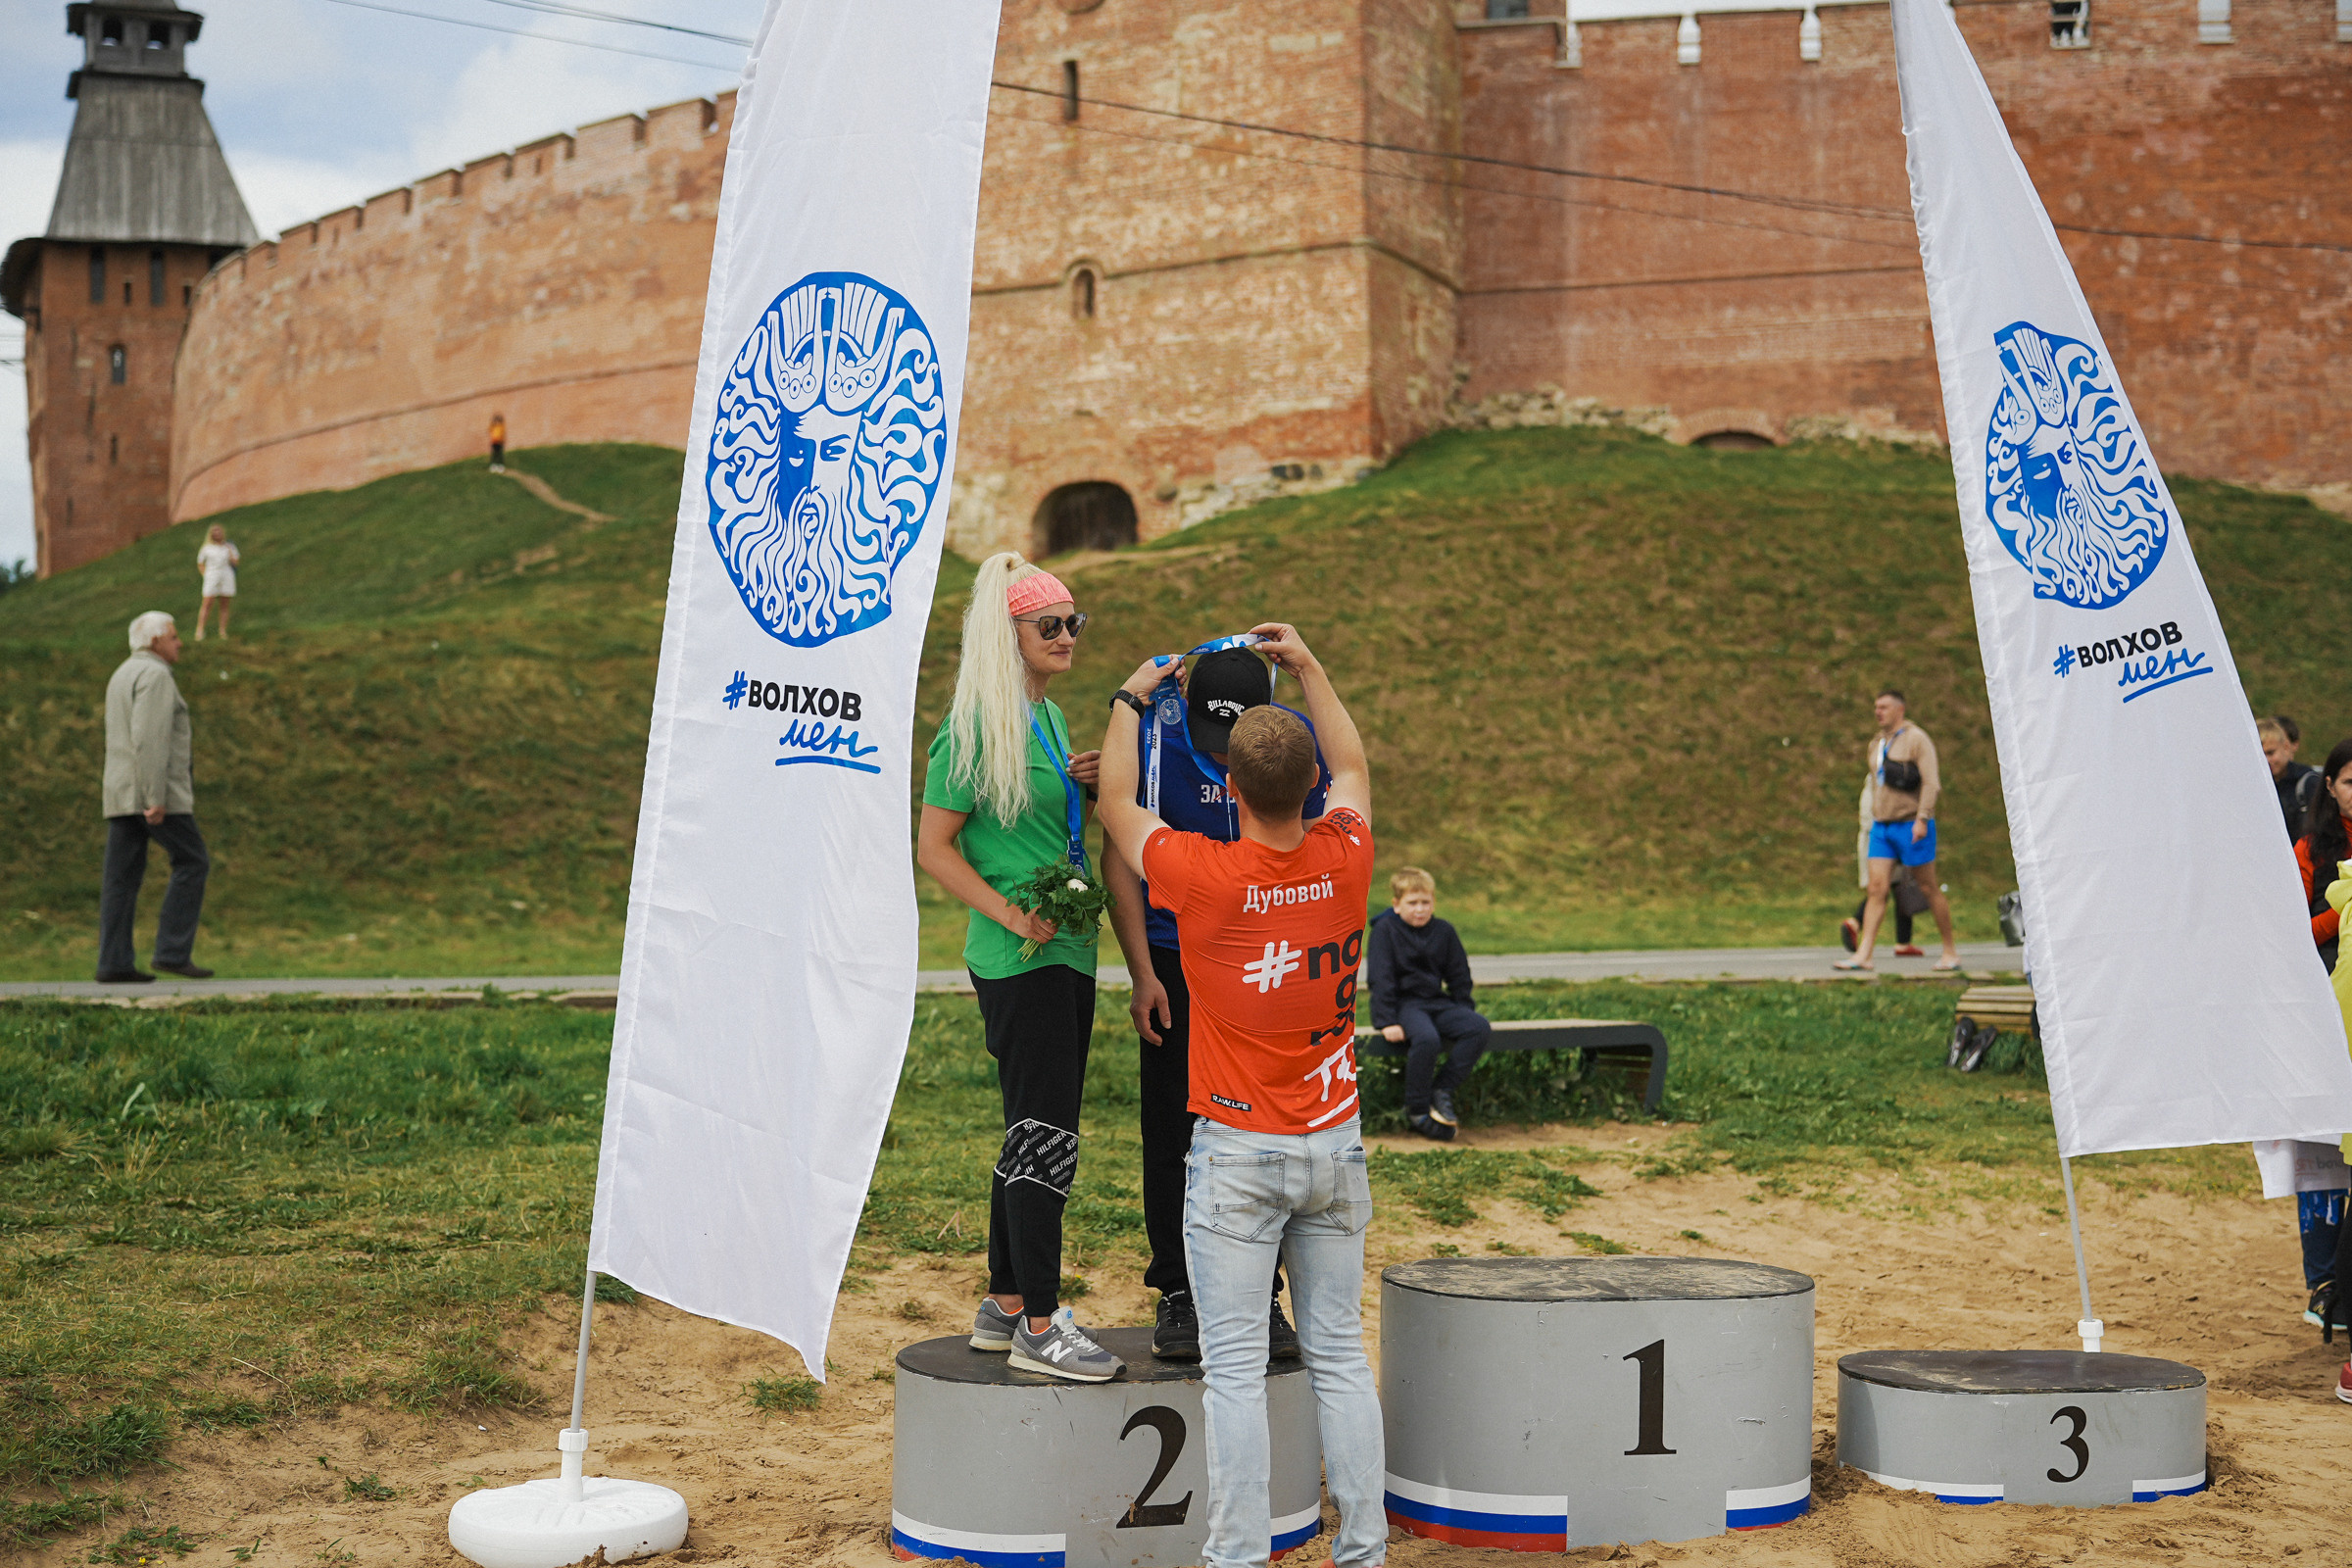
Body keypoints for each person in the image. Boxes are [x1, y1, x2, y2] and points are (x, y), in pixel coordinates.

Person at [1098, 620, 1385, 1568]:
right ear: (1308, 789)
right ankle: (1365, 1552)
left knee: (1232, 1377)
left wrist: (1133, 701)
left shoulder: (1203, 873)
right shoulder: (1347, 853)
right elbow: (1351, 762)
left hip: (1235, 1152)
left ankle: (1234, 1558)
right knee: (1341, 1360)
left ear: (1228, 786)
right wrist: (1305, 664)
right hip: (1334, 1141)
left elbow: (1116, 805)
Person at [915, 552, 1122, 1383]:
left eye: (1076, 621)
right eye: (1051, 625)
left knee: (1033, 1127)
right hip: (1018, 955)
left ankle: (1003, 1305)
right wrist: (1007, 911)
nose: (1068, 635)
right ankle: (1041, 1321)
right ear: (1010, 638)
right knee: (1047, 1134)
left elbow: (1048, 818)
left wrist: (1089, 782)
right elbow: (933, 847)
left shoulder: (1052, 718)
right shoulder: (969, 732)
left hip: (1070, 948)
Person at [1102, 640, 1328, 1361]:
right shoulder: (1153, 731)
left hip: (1262, 961)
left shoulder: (1288, 747)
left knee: (1261, 1132)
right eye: (1213, 743)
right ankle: (1177, 1289)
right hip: (1175, 958)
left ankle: (1261, 1294)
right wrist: (1143, 971)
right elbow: (1119, 847)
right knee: (1173, 1129)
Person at [98, 612, 214, 983]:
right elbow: (150, 738)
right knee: (193, 861)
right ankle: (172, 952)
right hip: (153, 793)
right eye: (174, 637)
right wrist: (155, 796)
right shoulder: (156, 675)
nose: (179, 643)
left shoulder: (121, 674)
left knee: (120, 878)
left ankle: (112, 963)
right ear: (155, 641)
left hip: (120, 793)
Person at [1836, 688, 1959, 973]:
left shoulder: (1917, 739)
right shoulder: (1878, 743)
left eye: (1884, 707)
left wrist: (1923, 818)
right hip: (1882, 827)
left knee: (1927, 887)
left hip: (1910, 825)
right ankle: (1863, 955)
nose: (1878, 712)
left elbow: (1931, 782)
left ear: (1900, 710)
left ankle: (1950, 950)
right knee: (1877, 889)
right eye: (1876, 707)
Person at [1367, 866, 1489, 1141]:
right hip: (1405, 1005)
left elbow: (1459, 974)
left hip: (1437, 1002)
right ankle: (1417, 1109)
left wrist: (1462, 1009)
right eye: (1412, 903)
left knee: (1478, 1027)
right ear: (1396, 905)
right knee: (1427, 1039)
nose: (1420, 909)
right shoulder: (1385, 931)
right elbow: (1380, 977)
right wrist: (1386, 1020)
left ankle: (1442, 1090)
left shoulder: (1443, 930)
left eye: (1425, 903)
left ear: (1433, 902)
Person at [1842, 777, 1921, 956]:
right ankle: (1861, 927)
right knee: (1895, 887)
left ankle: (1902, 940)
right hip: (1887, 834)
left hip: (1876, 834)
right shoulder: (1887, 775)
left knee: (1891, 887)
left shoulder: (1874, 777)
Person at [2293, 738, 2352, 975]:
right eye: (2349, 782)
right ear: (2330, 786)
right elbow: (2295, 938)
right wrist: (2345, 907)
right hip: (2331, 985)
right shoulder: (2308, 850)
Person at [2263, 715, 2321, 843]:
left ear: (2287, 747)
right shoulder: (2258, 786)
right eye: (2261, 755)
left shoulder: (2308, 782)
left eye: (2271, 753)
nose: (2266, 760)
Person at [193, 523, 241, 642]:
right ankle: (200, 630)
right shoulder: (206, 548)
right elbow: (200, 563)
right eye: (214, 532)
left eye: (219, 531)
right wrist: (206, 575)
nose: (217, 534)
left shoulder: (229, 546)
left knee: (224, 604)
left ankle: (222, 631)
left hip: (226, 575)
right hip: (212, 574)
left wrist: (229, 551)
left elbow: (236, 562)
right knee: (207, 603)